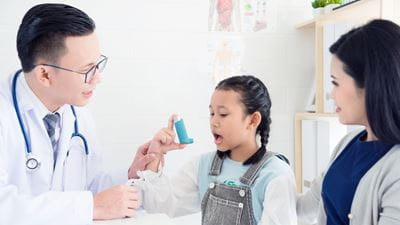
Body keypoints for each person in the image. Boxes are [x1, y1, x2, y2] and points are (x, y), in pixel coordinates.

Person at [0, 3, 162, 224]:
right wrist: (91, 207)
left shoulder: (76, 111)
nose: (97, 78)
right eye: (86, 70)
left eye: (98, 65)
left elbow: (86, 187)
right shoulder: (4, 114)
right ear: (45, 75)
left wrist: (131, 174)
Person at [133, 75, 297, 225]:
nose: (214, 122)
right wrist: (156, 154)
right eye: (212, 113)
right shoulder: (203, 165)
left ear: (253, 120)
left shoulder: (275, 173)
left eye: (223, 114)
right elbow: (157, 202)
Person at [296, 19, 400, 225]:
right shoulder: (349, 143)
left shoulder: (395, 168)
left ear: (371, 84)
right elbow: (304, 207)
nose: (330, 94)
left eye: (335, 83)